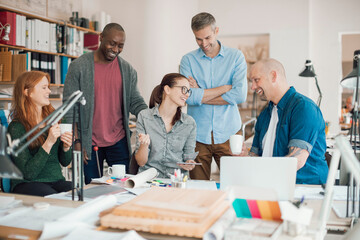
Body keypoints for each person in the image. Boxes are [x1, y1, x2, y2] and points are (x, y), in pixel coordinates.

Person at [63, 23, 147, 184]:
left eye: (120, 46)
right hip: (88, 142)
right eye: (112, 43)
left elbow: (135, 101)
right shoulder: (79, 66)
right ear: (101, 38)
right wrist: (76, 141)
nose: (115, 49)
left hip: (119, 140)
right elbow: (69, 107)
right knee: (91, 189)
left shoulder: (128, 70)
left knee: (123, 187)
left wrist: (152, 116)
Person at [180, 12, 247, 180]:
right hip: (197, 136)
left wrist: (200, 94)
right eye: (198, 39)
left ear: (216, 30)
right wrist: (224, 88)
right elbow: (188, 97)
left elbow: (239, 95)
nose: (204, 44)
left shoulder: (235, 57)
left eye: (207, 38)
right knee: (198, 189)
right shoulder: (188, 60)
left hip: (230, 133)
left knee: (235, 185)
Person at [243, 58, 328, 184]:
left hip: (306, 188)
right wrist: (244, 155)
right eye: (251, 82)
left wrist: (264, 176)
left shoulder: (304, 108)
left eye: (256, 80)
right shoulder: (265, 114)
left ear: (273, 76)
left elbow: (296, 161)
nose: (253, 87)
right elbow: (256, 157)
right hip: (274, 184)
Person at [7, 71, 73, 196]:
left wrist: (66, 147)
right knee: (54, 199)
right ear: (27, 92)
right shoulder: (17, 127)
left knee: (80, 193)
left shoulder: (56, 119)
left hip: (56, 181)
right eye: (44, 88)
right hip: (27, 183)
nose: (48, 91)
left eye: (48, 87)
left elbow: (65, 162)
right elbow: (28, 174)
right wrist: (49, 142)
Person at [134, 73, 197, 178]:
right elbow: (141, 162)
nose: (187, 94)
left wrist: (189, 163)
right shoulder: (144, 117)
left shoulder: (189, 123)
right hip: (149, 180)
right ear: (167, 90)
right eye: (184, 89)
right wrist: (144, 145)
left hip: (176, 181)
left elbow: (188, 157)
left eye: (188, 91)